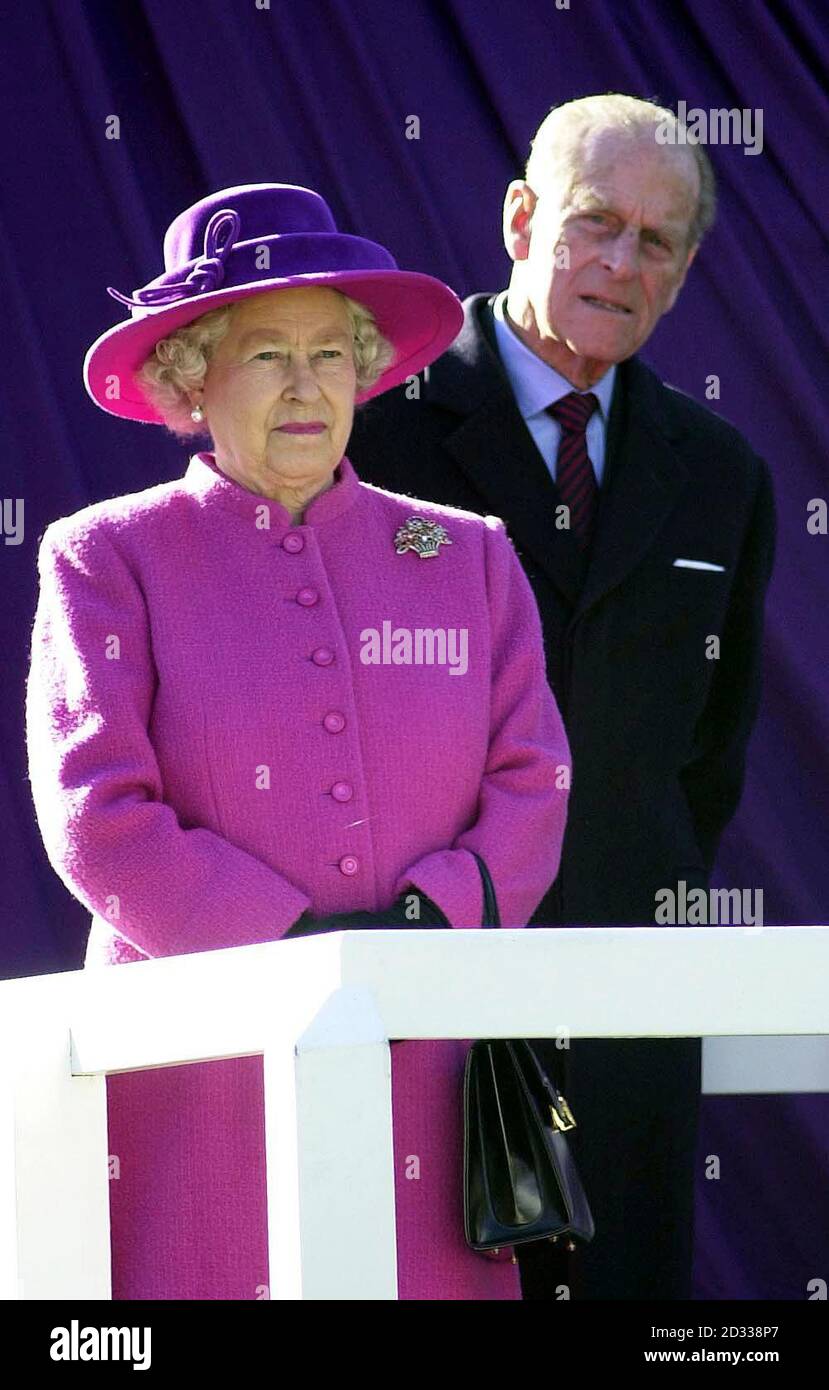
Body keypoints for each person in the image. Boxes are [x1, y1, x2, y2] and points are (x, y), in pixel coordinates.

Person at [24, 182, 571, 1300]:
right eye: (267, 354)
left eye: (332, 352)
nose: (308, 383)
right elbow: (97, 813)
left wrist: (430, 919)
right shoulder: (107, 556)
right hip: (197, 1081)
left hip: (422, 1061)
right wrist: (294, 949)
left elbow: (534, 780)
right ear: (191, 377)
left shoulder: (465, 555)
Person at [348, 95, 777, 1300]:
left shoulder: (723, 479)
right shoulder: (370, 435)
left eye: (656, 242)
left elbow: (706, 755)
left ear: (684, 274)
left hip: (625, 1004)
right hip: (417, 998)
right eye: (595, 224)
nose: (619, 263)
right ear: (521, 219)